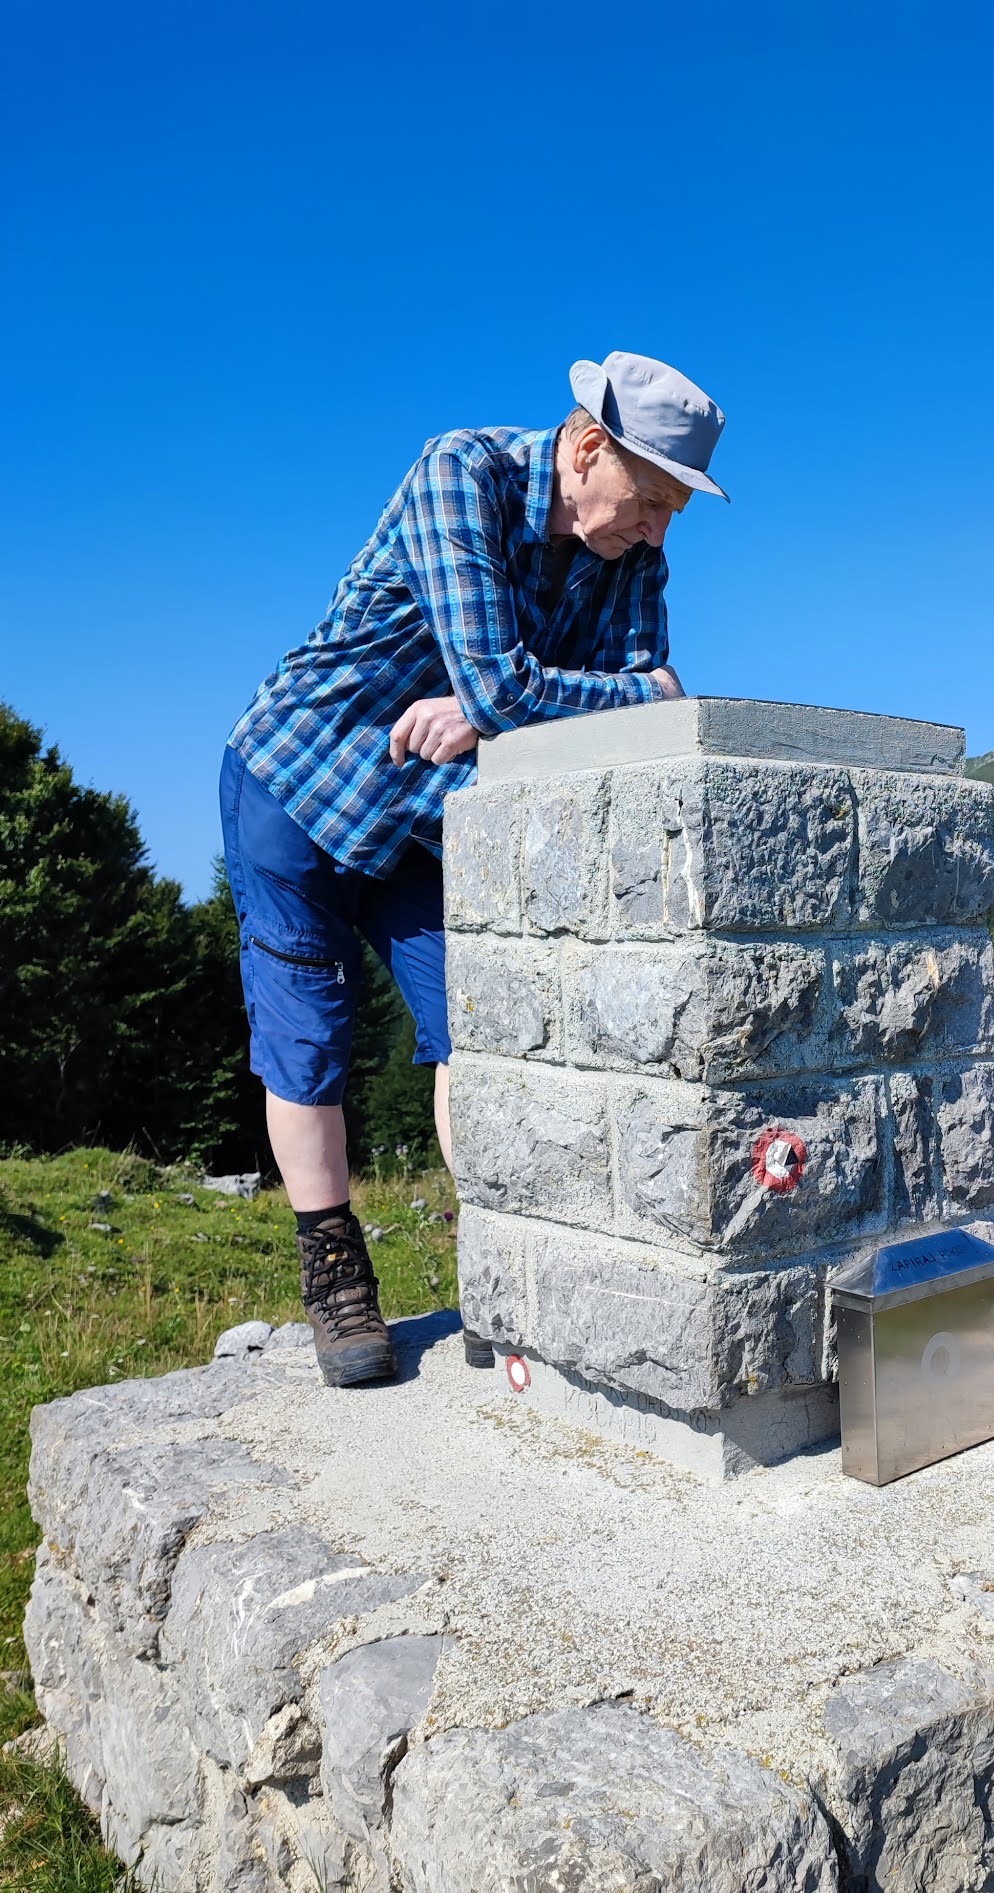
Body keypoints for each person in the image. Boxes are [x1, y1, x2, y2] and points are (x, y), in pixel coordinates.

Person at [220, 351, 727, 1387]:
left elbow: (614, 715)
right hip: (302, 780)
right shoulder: (462, 473)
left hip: (429, 819)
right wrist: (523, 700)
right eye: (649, 500)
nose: (656, 532)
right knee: (308, 1033)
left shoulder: (633, 556)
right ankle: (335, 1272)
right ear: (586, 447)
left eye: (673, 513)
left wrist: (496, 707)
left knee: (481, 1027)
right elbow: (531, 686)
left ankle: (504, 1259)